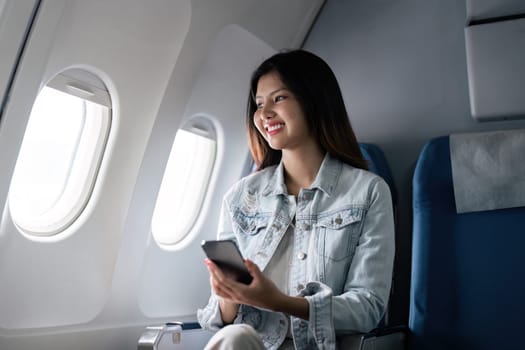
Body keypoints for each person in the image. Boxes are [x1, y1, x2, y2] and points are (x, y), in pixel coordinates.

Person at [197, 49, 395, 350]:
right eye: (259, 104)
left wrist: (281, 302)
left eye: (279, 98)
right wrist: (228, 297)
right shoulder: (240, 197)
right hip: (251, 344)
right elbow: (217, 320)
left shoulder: (368, 192)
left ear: (314, 100)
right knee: (235, 337)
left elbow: (367, 307)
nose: (264, 114)